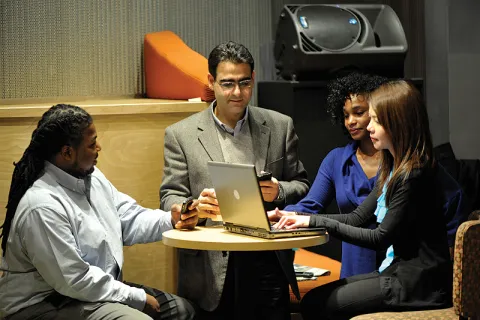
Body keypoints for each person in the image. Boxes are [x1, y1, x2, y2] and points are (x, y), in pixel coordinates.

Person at [272, 80, 453, 319]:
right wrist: (297, 216)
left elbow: (379, 238)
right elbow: (357, 217)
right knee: (313, 300)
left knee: (316, 304)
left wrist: (314, 222)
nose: (369, 127)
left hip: (418, 283)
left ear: (397, 123)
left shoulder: (414, 173)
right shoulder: (394, 167)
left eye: (376, 120)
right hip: (398, 273)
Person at [0, 104, 198, 320]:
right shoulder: (42, 205)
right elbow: (74, 280)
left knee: (182, 310)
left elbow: (128, 218)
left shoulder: (92, 178)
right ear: (67, 152)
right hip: (43, 304)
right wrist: (135, 296)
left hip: (86, 292)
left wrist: (171, 219)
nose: (99, 148)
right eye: (92, 143)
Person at [160, 41, 310, 319]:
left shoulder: (279, 125)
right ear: (211, 82)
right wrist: (194, 207)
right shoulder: (181, 134)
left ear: (253, 79)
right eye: (227, 84)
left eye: (244, 83)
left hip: (267, 257)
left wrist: (277, 191)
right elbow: (170, 197)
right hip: (210, 261)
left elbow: (301, 185)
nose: (237, 93)